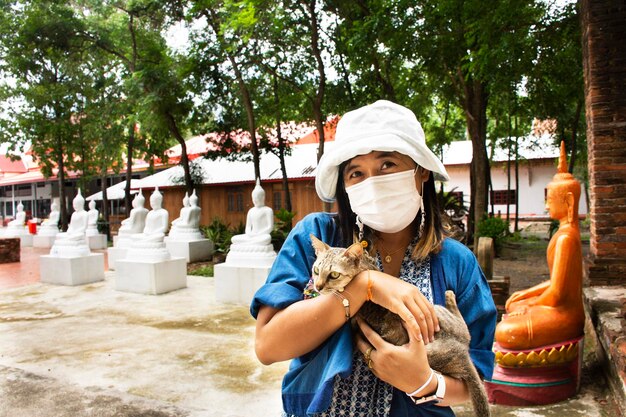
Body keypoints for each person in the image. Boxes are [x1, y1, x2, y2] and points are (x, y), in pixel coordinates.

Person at [251, 100, 496, 417]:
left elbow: (474, 371)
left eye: (387, 165)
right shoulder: (317, 237)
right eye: (356, 172)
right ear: (345, 184)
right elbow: (268, 346)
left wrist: (425, 383)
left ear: (421, 171)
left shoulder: (457, 262)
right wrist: (363, 286)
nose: (372, 182)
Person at [495, 142, 584, 350]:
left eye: (550, 199)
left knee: (505, 332)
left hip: (566, 314)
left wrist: (530, 305)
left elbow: (558, 294)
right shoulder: (564, 234)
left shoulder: (566, 238)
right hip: (556, 305)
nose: (546, 205)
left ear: (569, 202)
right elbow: (556, 282)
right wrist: (525, 295)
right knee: (513, 303)